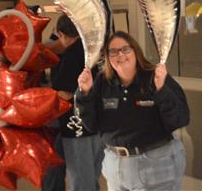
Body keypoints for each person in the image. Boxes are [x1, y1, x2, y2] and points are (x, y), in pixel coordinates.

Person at [76, 32, 189, 191]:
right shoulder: (102, 82)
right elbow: (91, 126)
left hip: (156, 165)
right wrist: (85, 93)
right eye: (113, 51)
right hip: (116, 167)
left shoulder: (154, 77)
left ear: (136, 51)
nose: (120, 55)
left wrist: (161, 90)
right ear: (108, 57)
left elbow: (180, 119)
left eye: (125, 49)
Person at [43, 15, 104, 191]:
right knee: (89, 175)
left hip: (76, 126)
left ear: (60, 34)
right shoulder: (92, 48)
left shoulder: (73, 53)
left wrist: (39, 99)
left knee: (82, 180)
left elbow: (65, 93)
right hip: (95, 123)